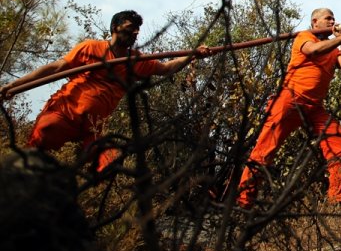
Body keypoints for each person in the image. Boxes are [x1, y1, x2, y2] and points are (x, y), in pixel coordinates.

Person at [0, 10, 210, 171]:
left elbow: (165, 68)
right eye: (129, 28)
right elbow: (55, 68)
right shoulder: (91, 48)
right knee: (34, 153)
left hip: (92, 129)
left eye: (137, 30)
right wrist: (14, 86)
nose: (134, 33)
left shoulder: (135, 61)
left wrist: (193, 54)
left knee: (109, 163)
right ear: (115, 28)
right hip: (64, 114)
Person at [237, 7, 341, 208]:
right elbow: (313, 50)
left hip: (315, 107)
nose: (332, 21)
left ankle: (338, 200)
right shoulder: (305, 37)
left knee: (340, 143)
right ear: (315, 22)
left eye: (334, 18)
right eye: (328, 18)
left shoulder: (332, 46)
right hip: (290, 100)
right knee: (265, 149)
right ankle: (243, 202)